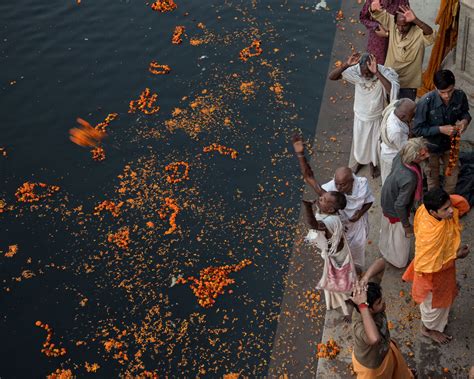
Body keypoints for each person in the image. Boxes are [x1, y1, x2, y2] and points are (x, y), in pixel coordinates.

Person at [293, 136, 357, 320]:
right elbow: (309, 177)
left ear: (330, 209)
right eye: (322, 196)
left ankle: (350, 303)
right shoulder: (329, 204)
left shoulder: (330, 222)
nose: (320, 198)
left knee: (341, 283)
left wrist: (307, 207)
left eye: (322, 200)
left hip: (338, 258)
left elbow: (313, 224)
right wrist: (300, 154)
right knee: (340, 281)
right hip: (334, 251)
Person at [293, 135, 374, 271]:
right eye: (336, 183)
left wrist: (359, 214)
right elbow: (309, 176)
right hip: (341, 233)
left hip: (356, 227)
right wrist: (300, 154)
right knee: (344, 259)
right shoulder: (330, 192)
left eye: (342, 185)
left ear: (351, 181)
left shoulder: (362, 185)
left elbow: (369, 201)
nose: (338, 187)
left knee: (356, 255)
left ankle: (355, 271)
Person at [402, 188, 470, 343]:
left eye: (449, 205)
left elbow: (461, 204)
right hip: (431, 277)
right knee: (432, 308)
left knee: (445, 297)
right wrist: (456, 256)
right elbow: (429, 266)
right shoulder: (430, 235)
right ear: (433, 213)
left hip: (445, 273)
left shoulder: (425, 208)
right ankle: (427, 329)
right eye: (445, 209)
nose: (451, 211)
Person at [329, 52, 399, 177]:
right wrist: (345, 65)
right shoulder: (356, 71)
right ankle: (361, 161)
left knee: (375, 143)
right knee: (360, 142)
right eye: (363, 72)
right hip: (360, 116)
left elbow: (391, 90)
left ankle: (373, 164)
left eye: (368, 73)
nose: (365, 76)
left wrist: (377, 72)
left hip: (376, 116)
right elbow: (332, 77)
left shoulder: (384, 72)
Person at [350, 258, 415, 378]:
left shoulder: (371, 296)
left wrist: (365, 278)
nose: (383, 303)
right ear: (368, 309)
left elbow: (381, 262)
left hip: (385, 352)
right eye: (379, 302)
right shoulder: (359, 326)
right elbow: (374, 339)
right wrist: (362, 305)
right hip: (373, 368)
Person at [412, 69, 472, 194]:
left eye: (450, 91)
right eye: (442, 92)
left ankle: (448, 201)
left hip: (452, 144)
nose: (447, 96)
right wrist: (440, 129)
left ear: (454, 85)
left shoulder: (460, 96)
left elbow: (465, 113)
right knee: (432, 177)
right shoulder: (425, 102)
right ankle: (435, 204)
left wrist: (464, 122)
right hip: (431, 147)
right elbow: (417, 129)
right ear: (435, 87)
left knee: (452, 174)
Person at [379, 137, 430, 268]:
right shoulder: (410, 178)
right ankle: (398, 261)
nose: (426, 156)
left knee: (388, 229)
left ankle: (385, 249)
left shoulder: (400, 156)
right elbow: (400, 205)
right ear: (414, 157)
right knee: (400, 235)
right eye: (422, 155)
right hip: (395, 207)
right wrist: (406, 225)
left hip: (387, 196)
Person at [370, 0, 434, 100]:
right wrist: (373, 8)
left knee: (405, 112)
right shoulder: (392, 24)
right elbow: (378, 14)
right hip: (389, 79)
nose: (400, 28)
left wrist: (416, 19)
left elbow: (430, 34)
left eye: (405, 25)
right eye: (399, 25)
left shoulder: (419, 33)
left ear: (411, 24)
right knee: (388, 108)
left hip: (408, 84)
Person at [359, 0, 409, 64]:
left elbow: (406, 24)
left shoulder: (402, 2)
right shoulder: (372, 1)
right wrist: (376, 26)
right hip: (376, 43)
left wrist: (388, 34)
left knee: (392, 69)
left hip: (394, 44)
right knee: (374, 66)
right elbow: (363, 17)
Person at [380, 98, 416, 183]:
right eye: (412, 114)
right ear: (402, 116)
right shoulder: (396, 131)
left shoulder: (395, 107)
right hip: (392, 157)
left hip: (394, 149)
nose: (414, 115)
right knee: (392, 182)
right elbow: (405, 149)